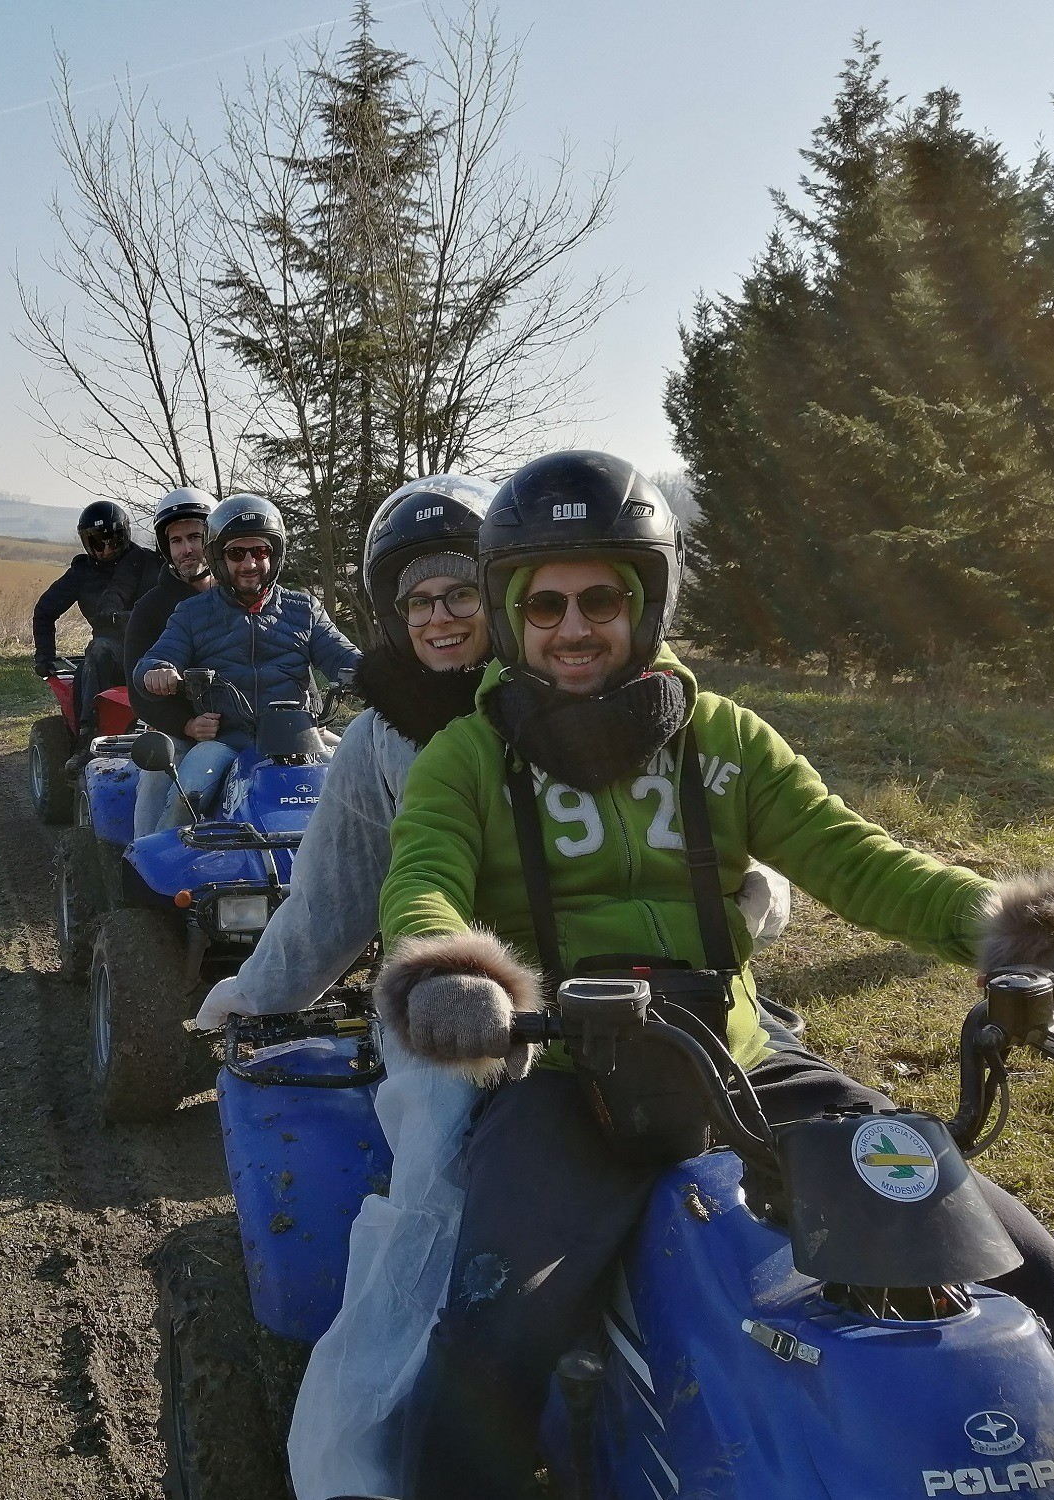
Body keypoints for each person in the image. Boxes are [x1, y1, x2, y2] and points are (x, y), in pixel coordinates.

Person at [373, 450, 1054, 1500]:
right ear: (510, 613)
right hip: (561, 1077)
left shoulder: (725, 739)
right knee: (496, 1329)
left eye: (602, 599)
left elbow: (860, 858)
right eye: (546, 604)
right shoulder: (467, 758)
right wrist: (447, 973)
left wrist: (1036, 936)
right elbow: (420, 884)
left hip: (740, 1062)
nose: (574, 629)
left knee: (1026, 1274)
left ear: (647, 601)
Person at [186, 475, 786, 1500]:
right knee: (438, 1214)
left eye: (461, 590)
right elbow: (333, 901)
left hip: (653, 1003)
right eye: (417, 599)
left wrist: (751, 882)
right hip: (473, 1020)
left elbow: (695, 809)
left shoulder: (597, 691)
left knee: (783, 1176)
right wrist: (255, 988)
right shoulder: (384, 741)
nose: (441, 617)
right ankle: (397, 1448)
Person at [136, 495, 362, 823]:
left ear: (275, 554)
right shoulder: (191, 614)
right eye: (236, 553)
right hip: (227, 740)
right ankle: (164, 868)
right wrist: (158, 671)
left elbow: (343, 655)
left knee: (366, 784)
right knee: (186, 797)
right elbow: (156, 658)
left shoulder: (304, 610)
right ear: (218, 558)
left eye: (260, 551)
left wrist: (372, 673)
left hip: (302, 737)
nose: (249, 564)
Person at [31, 500, 166, 754]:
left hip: (154, 645)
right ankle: (87, 739)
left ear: (124, 534)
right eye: (96, 542)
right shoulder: (82, 573)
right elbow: (44, 610)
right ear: (85, 543)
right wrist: (44, 654)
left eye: (113, 540)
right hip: (110, 650)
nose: (106, 549)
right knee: (98, 650)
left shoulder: (150, 563)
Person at [124, 488, 220, 836]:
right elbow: (138, 696)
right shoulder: (150, 609)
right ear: (167, 548)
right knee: (157, 775)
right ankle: (141, 867)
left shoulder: (241, 597)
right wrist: (187, 724)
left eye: (195, 536)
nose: (186, 549)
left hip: (252, 728)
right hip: (183, 732)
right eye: (176, 540)